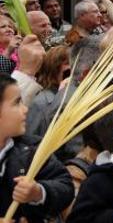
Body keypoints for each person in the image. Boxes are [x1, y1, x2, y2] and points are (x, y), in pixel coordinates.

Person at [0, 73, 74, 223]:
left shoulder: (32, 149)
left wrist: (38, 192)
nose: (25, 109)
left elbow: (65, 187)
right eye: (16, 103)